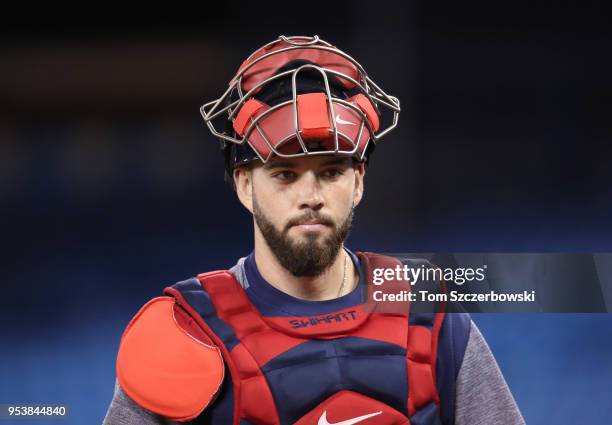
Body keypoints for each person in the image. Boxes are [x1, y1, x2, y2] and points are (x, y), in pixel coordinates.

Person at [103, 35, 524, 425]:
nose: (311, 196)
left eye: (331, 171)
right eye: (285, 174)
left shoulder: (428, 314)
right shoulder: (185, 331)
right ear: (245, 184)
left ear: (358, 181)